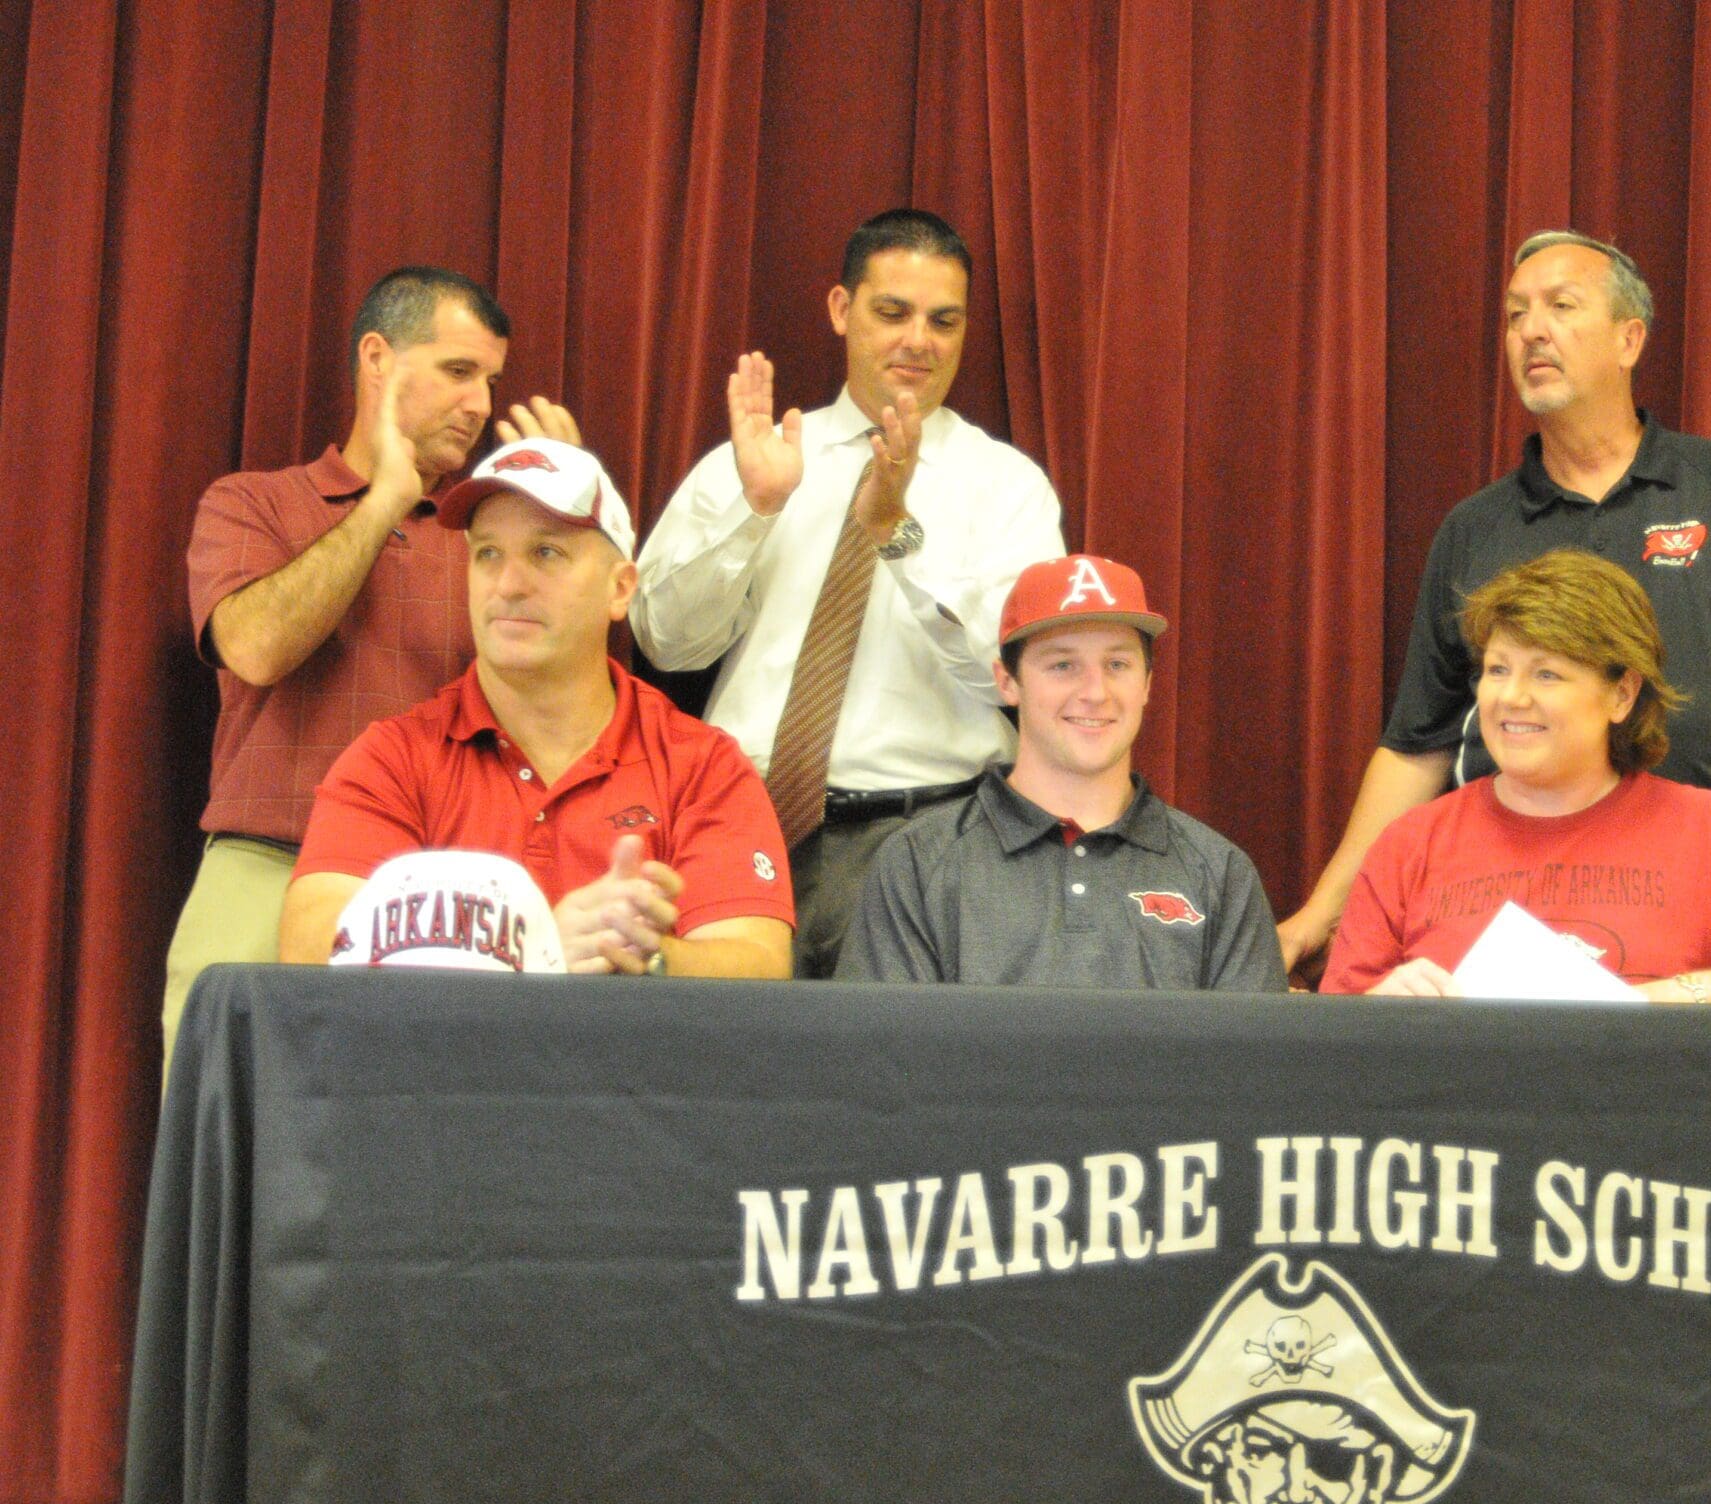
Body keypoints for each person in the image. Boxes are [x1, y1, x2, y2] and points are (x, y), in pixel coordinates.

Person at [1280, 230, 1711, 974]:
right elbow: (1418, 745)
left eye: (1560, 306)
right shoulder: (1476, 529)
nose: (1532, 331)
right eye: (1515, 314)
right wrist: (1318, 916)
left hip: (1698, 897)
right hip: (1502, 900)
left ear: (1629, 339)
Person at [632, 208, 1066, 977]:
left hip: (929, 837)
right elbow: (666, 641)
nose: (919, 341)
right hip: (737, 824)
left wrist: (899, 535)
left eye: (944, 320)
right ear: (841, 309)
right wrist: (755, 510)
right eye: (893, 312)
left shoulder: (1006, 485)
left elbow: (1011, 676)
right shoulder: (754, 461)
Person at [164, 267, 561, 1058]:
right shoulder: (252, 502)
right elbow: (256, 648)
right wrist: (384, 500)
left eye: (490, 381)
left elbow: (566, 701)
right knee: (224, 1120)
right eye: (458, 370)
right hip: (270, 866)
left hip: (450, 895)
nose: (480, 405)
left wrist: (562, 525)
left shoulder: (488, 544)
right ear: (377, 359)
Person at [278, 439, 794, 978]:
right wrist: (530, 945)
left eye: (546, 553)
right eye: (488, 554)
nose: (508, 585)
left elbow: (759, 966)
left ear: (620, 589)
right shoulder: (393, 758)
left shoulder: (703, 765)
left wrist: (644, 956)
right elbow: (311, 945)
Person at [1319, 550, 1711, 1006]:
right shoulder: (1410, 844)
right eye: (1497, 669)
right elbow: (1331, 1043)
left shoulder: (1707, 829)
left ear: (1622, 694)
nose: (1511, 697)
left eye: (1546, 674)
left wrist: (1647, 1003)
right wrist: (1383, 1009)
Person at [842, 555, 1285, 992]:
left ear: (1148, 684)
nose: (1095, 692)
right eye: (1062, 665)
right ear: (1007, 682)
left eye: (1117, 664)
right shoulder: (917, 864)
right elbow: (886, 1039)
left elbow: (1248, 1042)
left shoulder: (1220, 873)